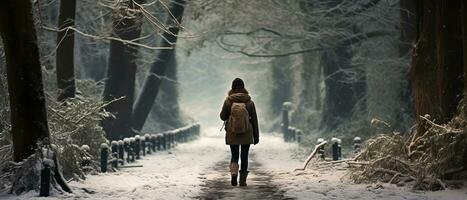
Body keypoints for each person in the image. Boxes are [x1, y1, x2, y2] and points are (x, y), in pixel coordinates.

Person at [220, 78, 259, 187]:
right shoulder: (249, 102)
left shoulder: (228, 101)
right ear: (243, 87)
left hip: (233, 132)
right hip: (247, 132)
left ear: (232, 88)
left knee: (234, 155)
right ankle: (242, 181)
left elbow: (222, 116)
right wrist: (256, 136)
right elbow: (255, 120)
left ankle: (233, 174)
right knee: (244, 155)